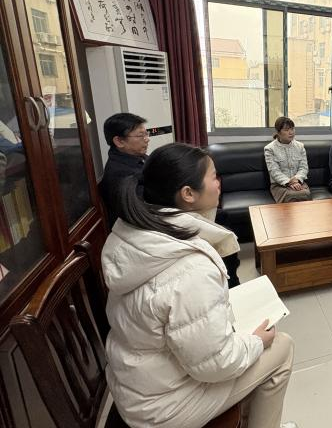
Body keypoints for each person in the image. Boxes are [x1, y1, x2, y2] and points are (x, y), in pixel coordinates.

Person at [101, 143, 296, 428]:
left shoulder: (135, 231)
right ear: (188, 194)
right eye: (214, 176)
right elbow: (217, 365)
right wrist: (257, 342)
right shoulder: (192, 267)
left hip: (138, 387)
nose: (220, 183)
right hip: (166, 407)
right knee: (281, 346)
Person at [99, 112, 149, 228]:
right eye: (140, 136)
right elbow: (144, 212)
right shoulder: (121, 174)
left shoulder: (136, 155)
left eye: (146, 134)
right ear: (119, 141)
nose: (147, 139)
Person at [264, 117, 311, 203]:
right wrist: (289, 182)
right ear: (278, 132)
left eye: (292, 129)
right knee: (291, 196)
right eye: (286, 130)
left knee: (305, 194)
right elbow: (274, 171)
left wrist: (296, 180)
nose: (291, 132)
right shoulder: (270, 149)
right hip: (279, 185)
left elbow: (304, 168)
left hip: (299, 183)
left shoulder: (300, 146)